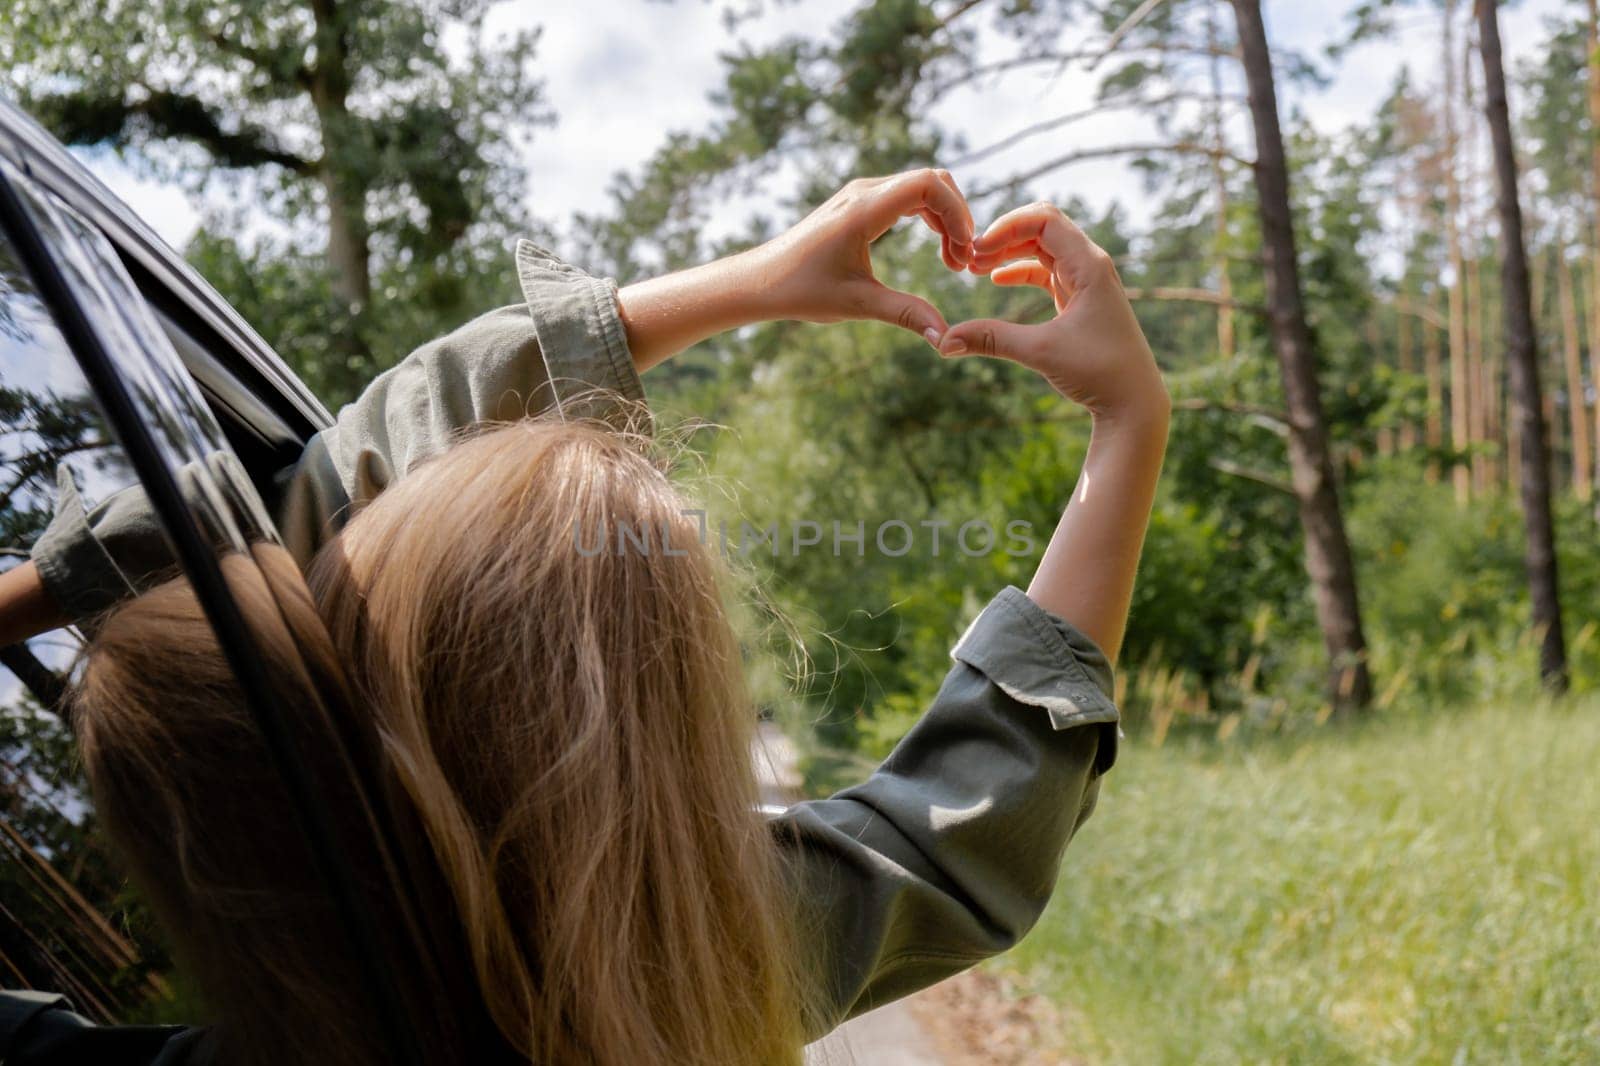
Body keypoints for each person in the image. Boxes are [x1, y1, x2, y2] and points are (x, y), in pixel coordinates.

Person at [0, 173, 1170, 1065]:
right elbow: (963, 817)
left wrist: (53, 586)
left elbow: (309, 488)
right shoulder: (665, 953)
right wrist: (1127, 420)